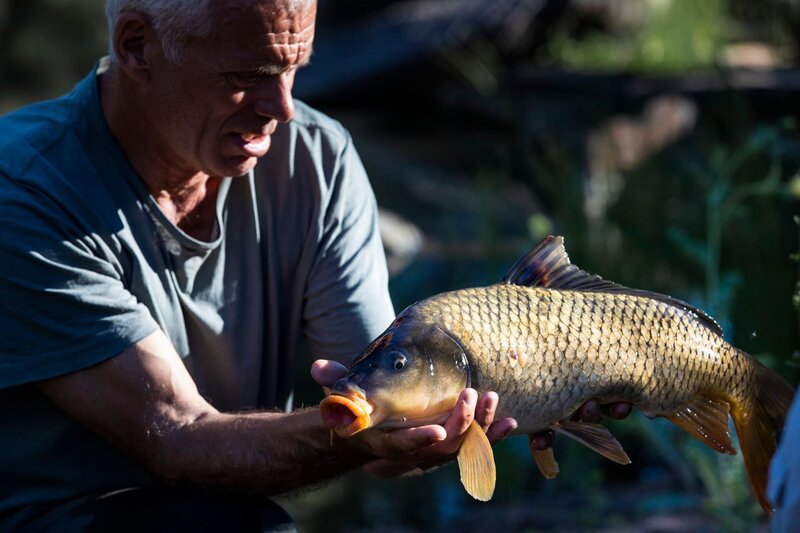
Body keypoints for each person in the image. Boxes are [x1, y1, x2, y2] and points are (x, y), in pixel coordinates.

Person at [0, 0, 630, 530]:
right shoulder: (25, 189)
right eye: (248, 73)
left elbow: (384, 433)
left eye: (295, 68)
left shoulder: (317, 161)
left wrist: (472, 407)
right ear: (137, 47)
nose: (284, 109)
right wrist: (358, 430)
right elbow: (177, 439)